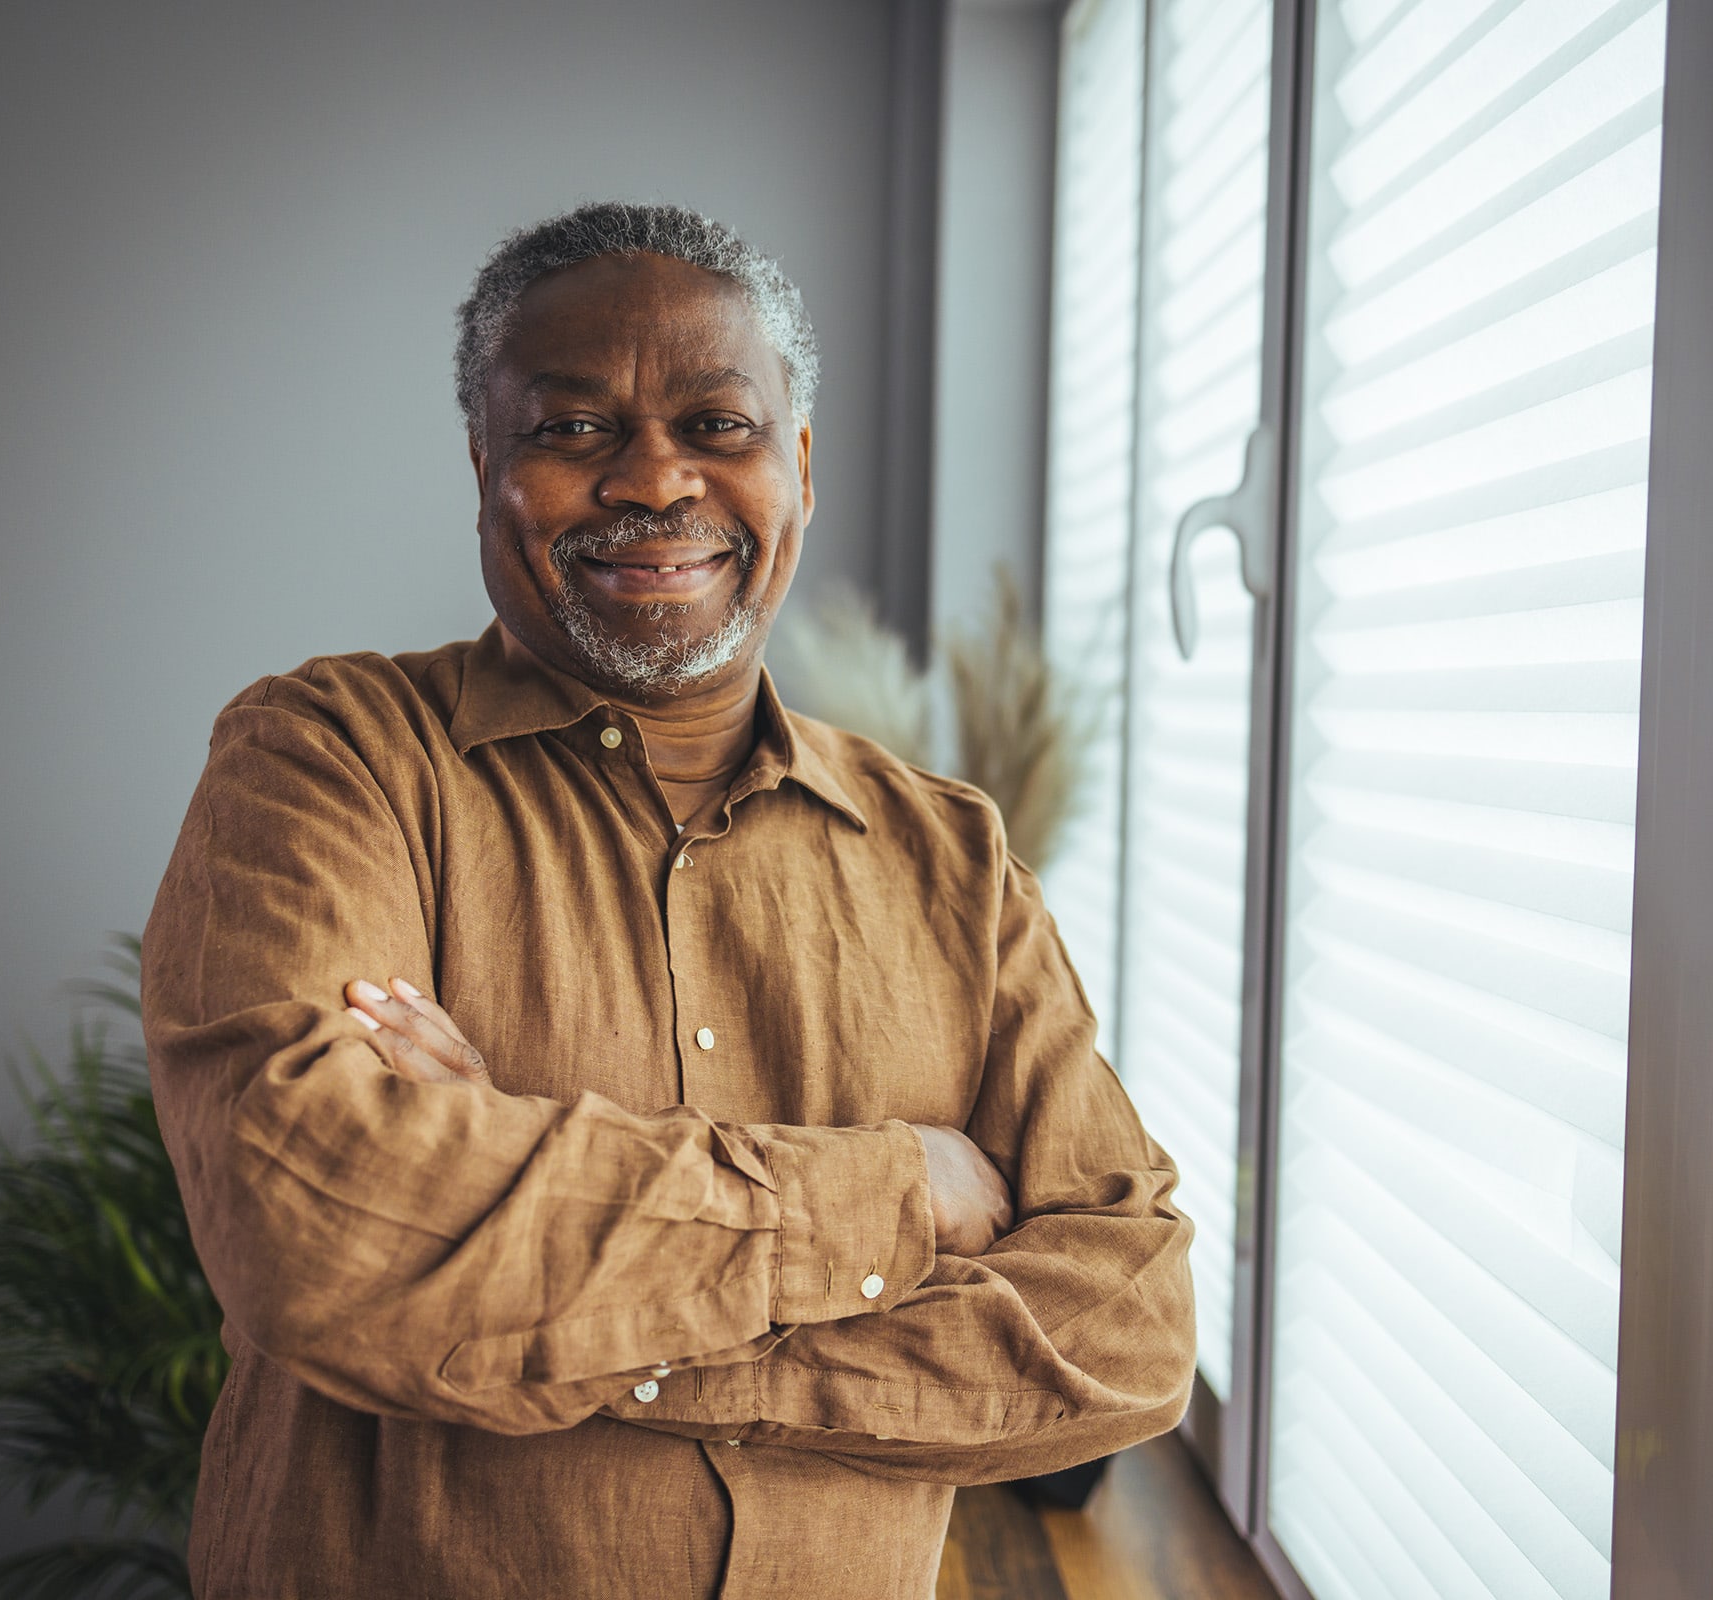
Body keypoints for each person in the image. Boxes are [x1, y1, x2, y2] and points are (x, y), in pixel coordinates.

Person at [140, 201, 1195, 1599]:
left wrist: (569, 1322)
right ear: (483, 468)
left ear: (799, 469)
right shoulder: (331, 758)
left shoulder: (952, 858)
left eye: (717, 425)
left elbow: (1126, 1332)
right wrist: (897, 1196)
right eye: (571, 430)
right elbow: (322, 1242)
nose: (651, 481)